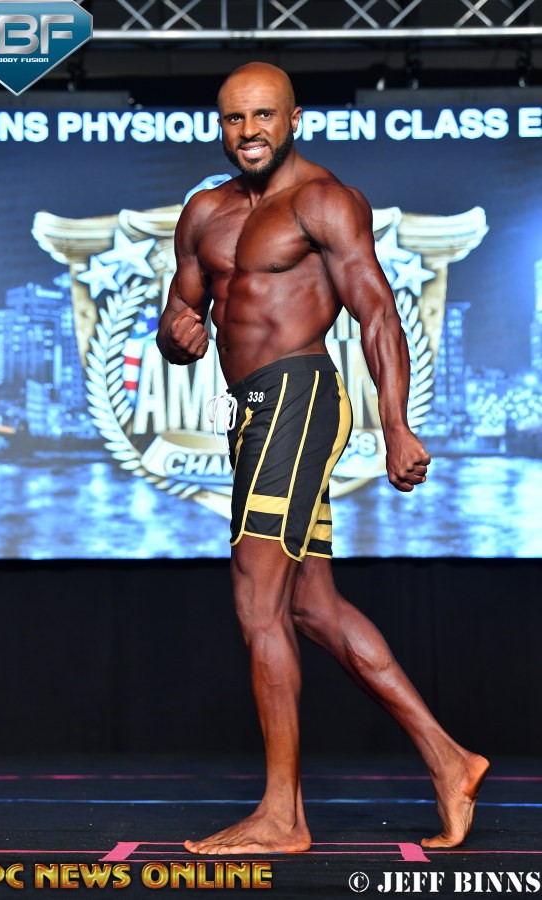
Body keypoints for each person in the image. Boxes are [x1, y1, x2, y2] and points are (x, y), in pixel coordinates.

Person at [157, 61, 489, 855]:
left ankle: (283, 816)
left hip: (300, 396)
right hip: (251, 412)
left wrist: (397, 425)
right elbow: (181, 312)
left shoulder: (324, 201)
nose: (249, 132)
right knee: (310, 608)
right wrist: (175, 336)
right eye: (235, 118)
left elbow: (377, 313)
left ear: (294, 118)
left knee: (256, 601)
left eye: (264, 115)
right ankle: (451, 760)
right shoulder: (204, 212)